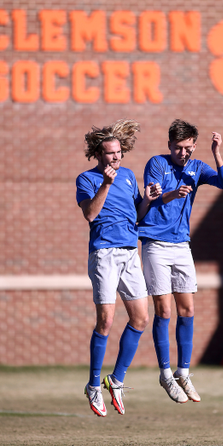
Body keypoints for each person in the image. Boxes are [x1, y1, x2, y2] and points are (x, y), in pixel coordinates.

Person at [138, 119, 223, 404]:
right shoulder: (156, 163)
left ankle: (183, 372)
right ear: (169, 145)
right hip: (155, 244)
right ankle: (165, 374)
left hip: (181, 245)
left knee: (187, 309)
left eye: (188, 148)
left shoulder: (198, 167)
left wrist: (216, 153)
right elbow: (151, 199)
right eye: (178, 148)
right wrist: (172, 194)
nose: (183, 153)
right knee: (164, 312)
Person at [76, 119, 161, 417]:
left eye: (119, 153)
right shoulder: (86, 179)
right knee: (106, 322)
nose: (116, 158)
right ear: (98, 154)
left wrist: (147, 201)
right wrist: (106, 184)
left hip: (129, 252)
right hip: (104, 254)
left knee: (140, 319)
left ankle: (117, 380)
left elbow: (136, 215)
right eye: (110, 153)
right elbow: (90, 214)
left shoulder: (127, 176)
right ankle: (93, 386)